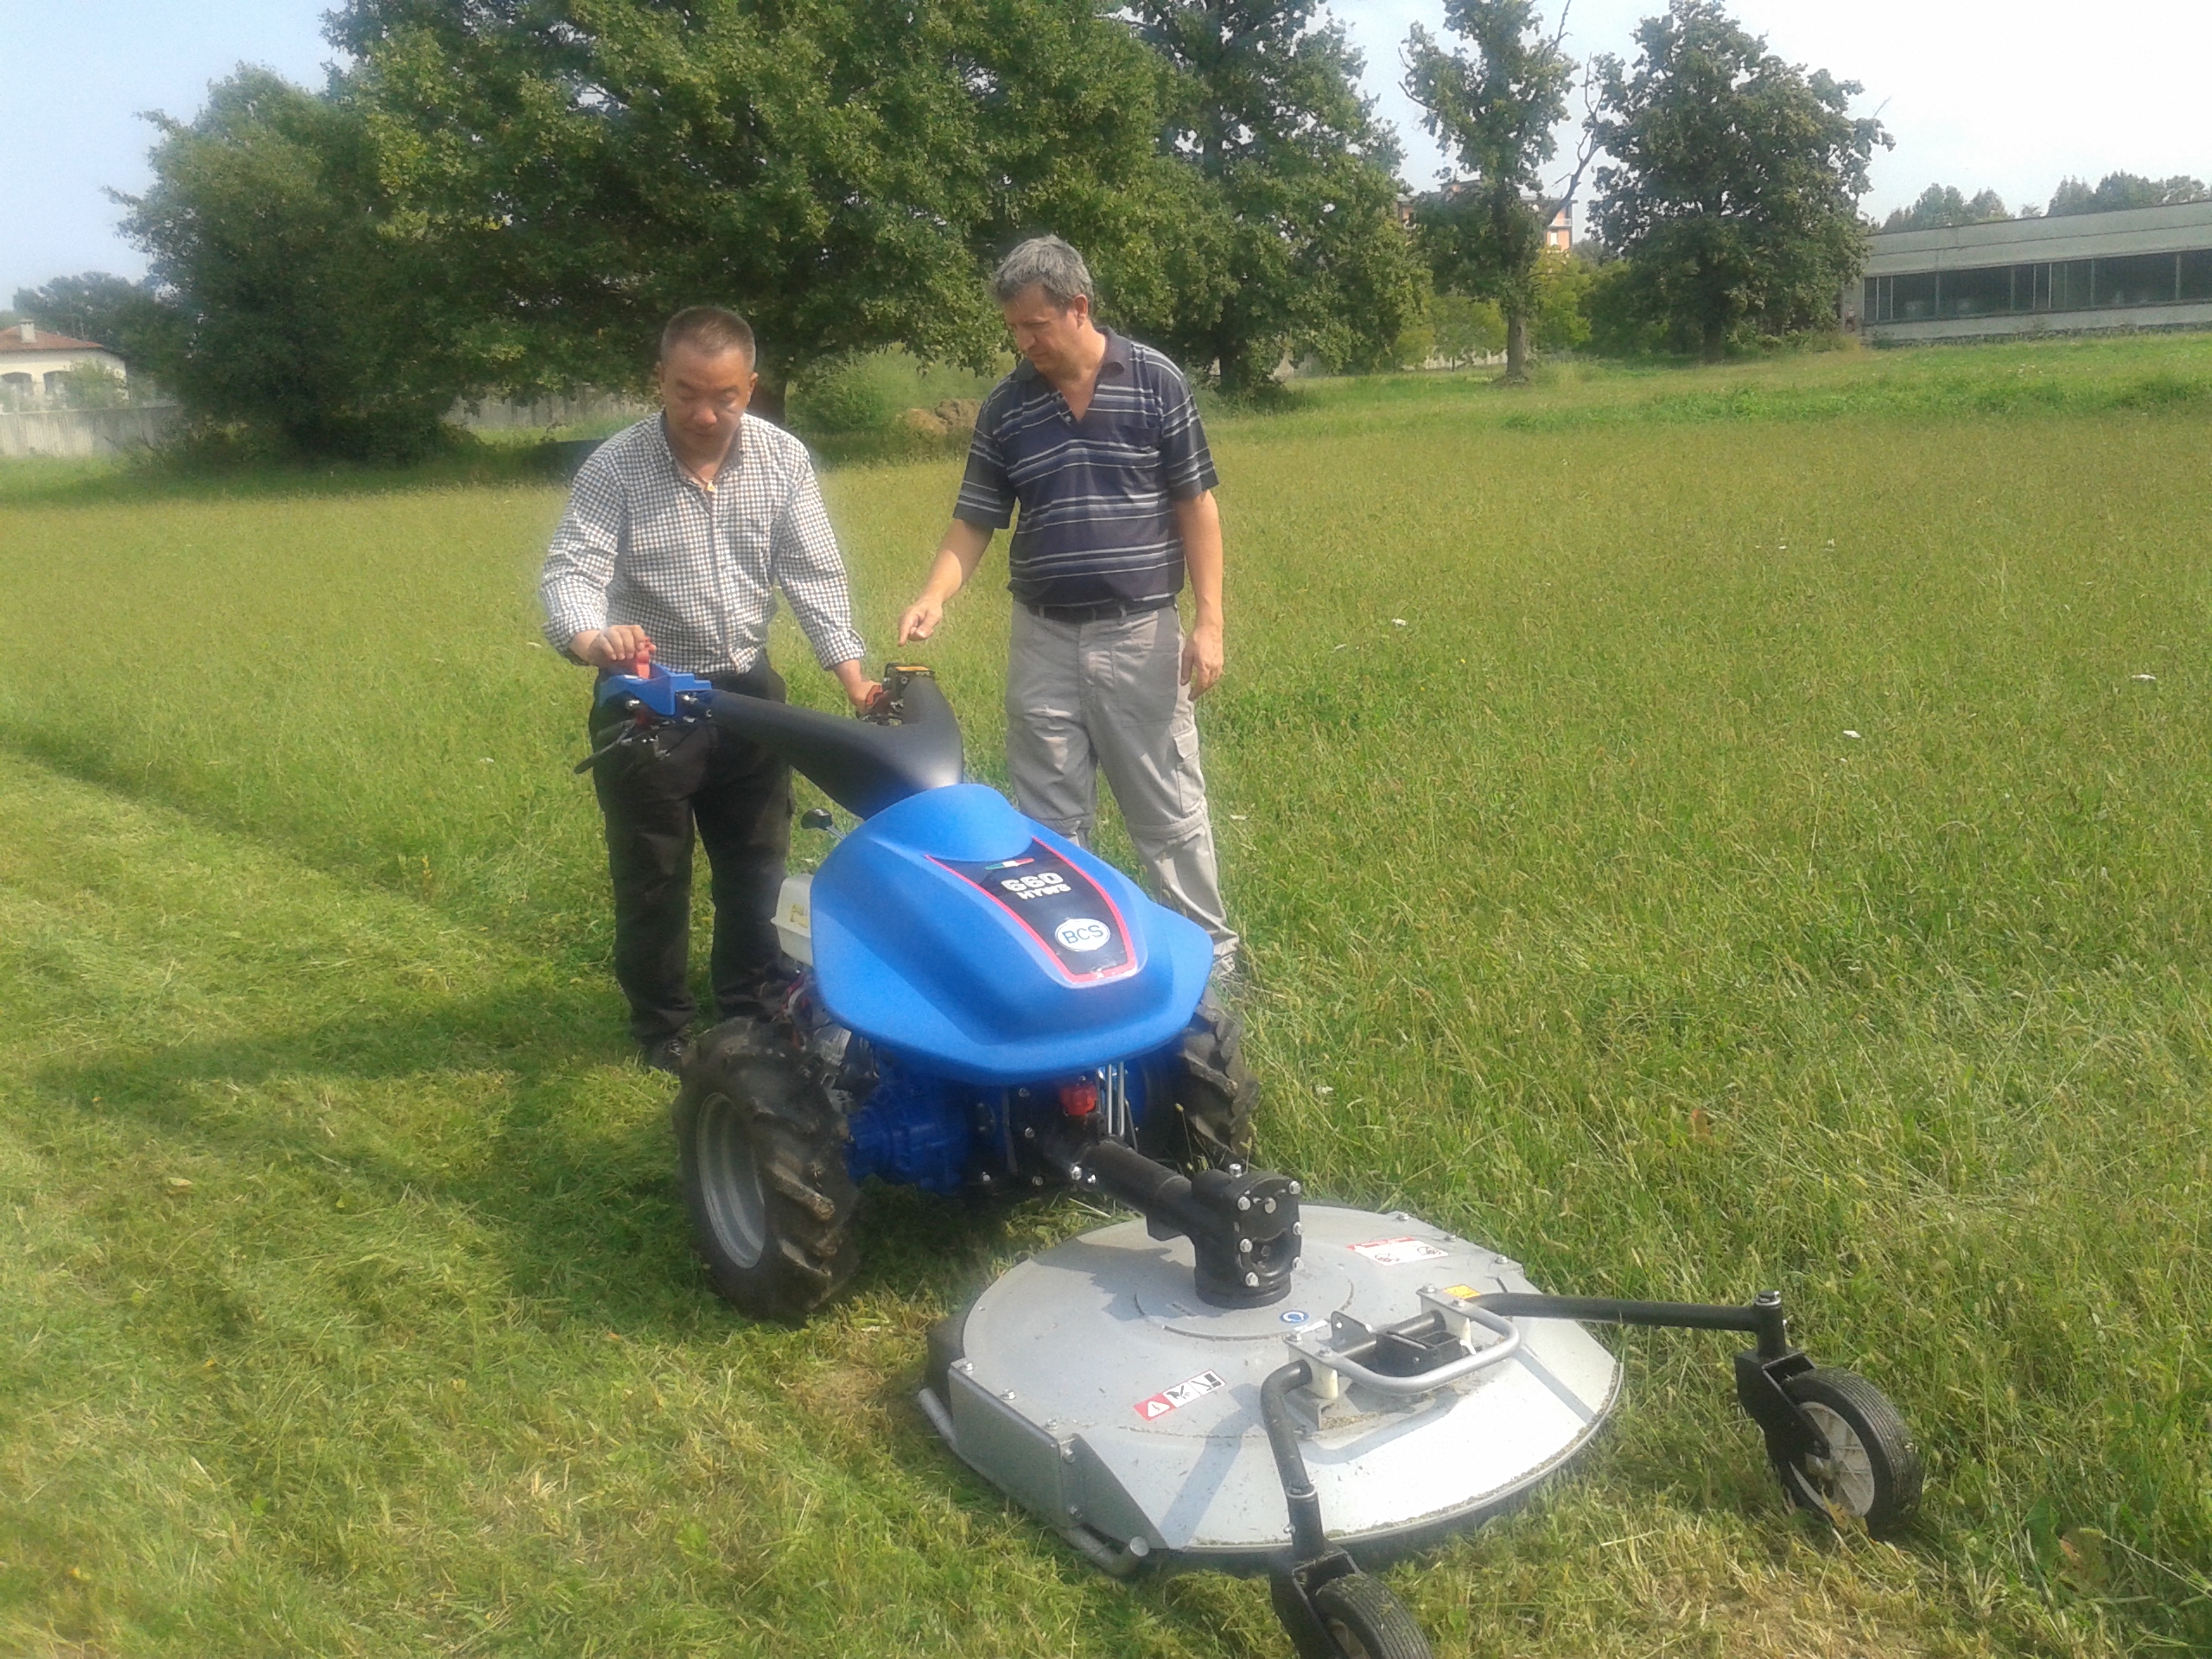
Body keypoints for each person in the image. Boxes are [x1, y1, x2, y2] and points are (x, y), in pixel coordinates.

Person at [541, 306, 880, 1073]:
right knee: (653, 874)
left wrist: (853, 676)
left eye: (724, 396)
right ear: (658, 380)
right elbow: (572, 570)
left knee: (757, 861)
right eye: (686, 391)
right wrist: (595, 639)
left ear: (750, 388)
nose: (704, 413)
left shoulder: (782, 460)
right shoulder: (614, 467)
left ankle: (752, 1010)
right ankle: (661, 1029)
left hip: (748, 691)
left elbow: (815, 575)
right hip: (649, 696)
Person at [896, 236, 1239, 980]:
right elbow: (975, 518)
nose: (1023, 343)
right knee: (1046, 823)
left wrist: (1209, 622)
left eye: (1034, 326)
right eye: (1014, 329)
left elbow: (1197, 507)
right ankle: (1071, 965)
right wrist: (934, 594)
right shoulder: (1008, 407)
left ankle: (1212, 966)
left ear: (1078, 308)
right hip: (1042, 641)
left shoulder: (1154, 381)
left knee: (1168, 810)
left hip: (1142, 633)